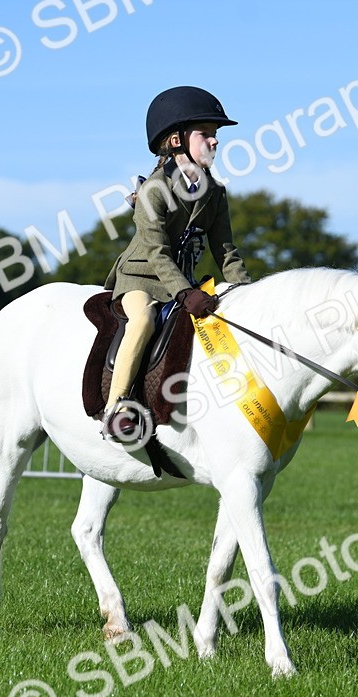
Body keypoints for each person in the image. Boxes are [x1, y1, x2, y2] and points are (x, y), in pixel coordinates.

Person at [101, 86, 252, 439]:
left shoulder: (215, 191)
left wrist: (247, 292)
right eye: (206, 135)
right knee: (143, 319)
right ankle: (117, 407)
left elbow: (226, 251)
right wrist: (185, 293)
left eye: (216, 136)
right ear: (175, 141)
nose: (215, 142)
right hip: (141, 280)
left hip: (182, 284)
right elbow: (157, 253)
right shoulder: (154, 190)